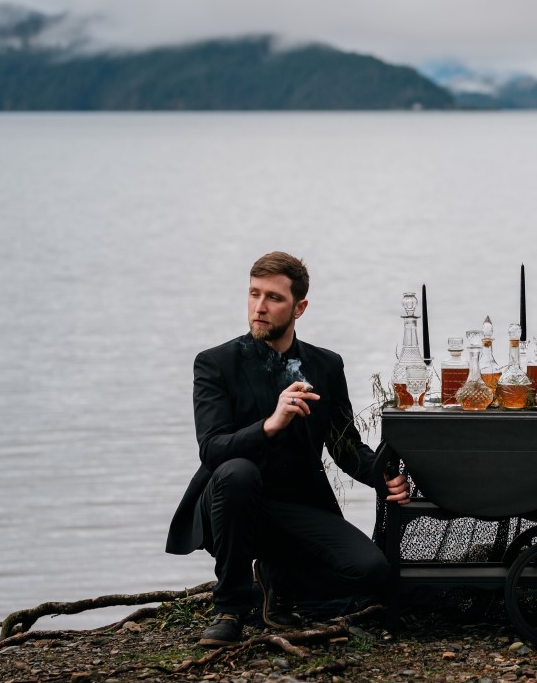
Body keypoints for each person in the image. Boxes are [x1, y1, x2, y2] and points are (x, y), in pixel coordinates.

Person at [166, 251, 410, 647]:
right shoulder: (215, 363)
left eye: (273, 298)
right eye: (253, 294)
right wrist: (269, 424)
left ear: (300, 307)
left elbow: (344, 445)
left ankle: (276, 580)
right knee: (238, 471)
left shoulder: (326, 366)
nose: (259, 307)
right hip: (229, 505)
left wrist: (380, 476)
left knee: (372, 572)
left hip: (297, 508)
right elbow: (212, 450)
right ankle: (229, 608)